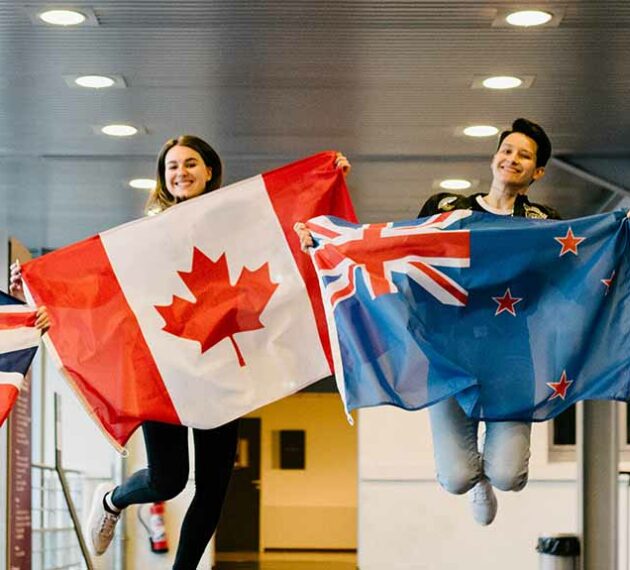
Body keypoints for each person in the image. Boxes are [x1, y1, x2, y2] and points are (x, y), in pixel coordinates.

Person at [11, 136, 350, 568]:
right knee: (168, 480)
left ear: (209, 170)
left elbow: (283, 236)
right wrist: (39, 284)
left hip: (223, 366)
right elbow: (99, 281)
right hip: (166, 368)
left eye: (190, 164)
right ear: (163, 177)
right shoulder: (147, 233)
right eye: (172, 166)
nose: (180, 173)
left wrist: (325, 177)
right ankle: (114, 499)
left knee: (213, 489)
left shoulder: (236, 219)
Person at [417, 118, 559, 526]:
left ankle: (492, 479)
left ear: (538, 172)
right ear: (495, 156)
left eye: (524, 156)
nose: (512, 159)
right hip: (449, 355)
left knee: (509, 475)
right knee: (457, 478)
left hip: (510, 357)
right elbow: (394, 246)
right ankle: (476, 483)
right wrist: (325, 237)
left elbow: (577, 264)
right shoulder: (446, 209)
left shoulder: (544, 220)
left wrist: (620, 228)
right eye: (507, 150)